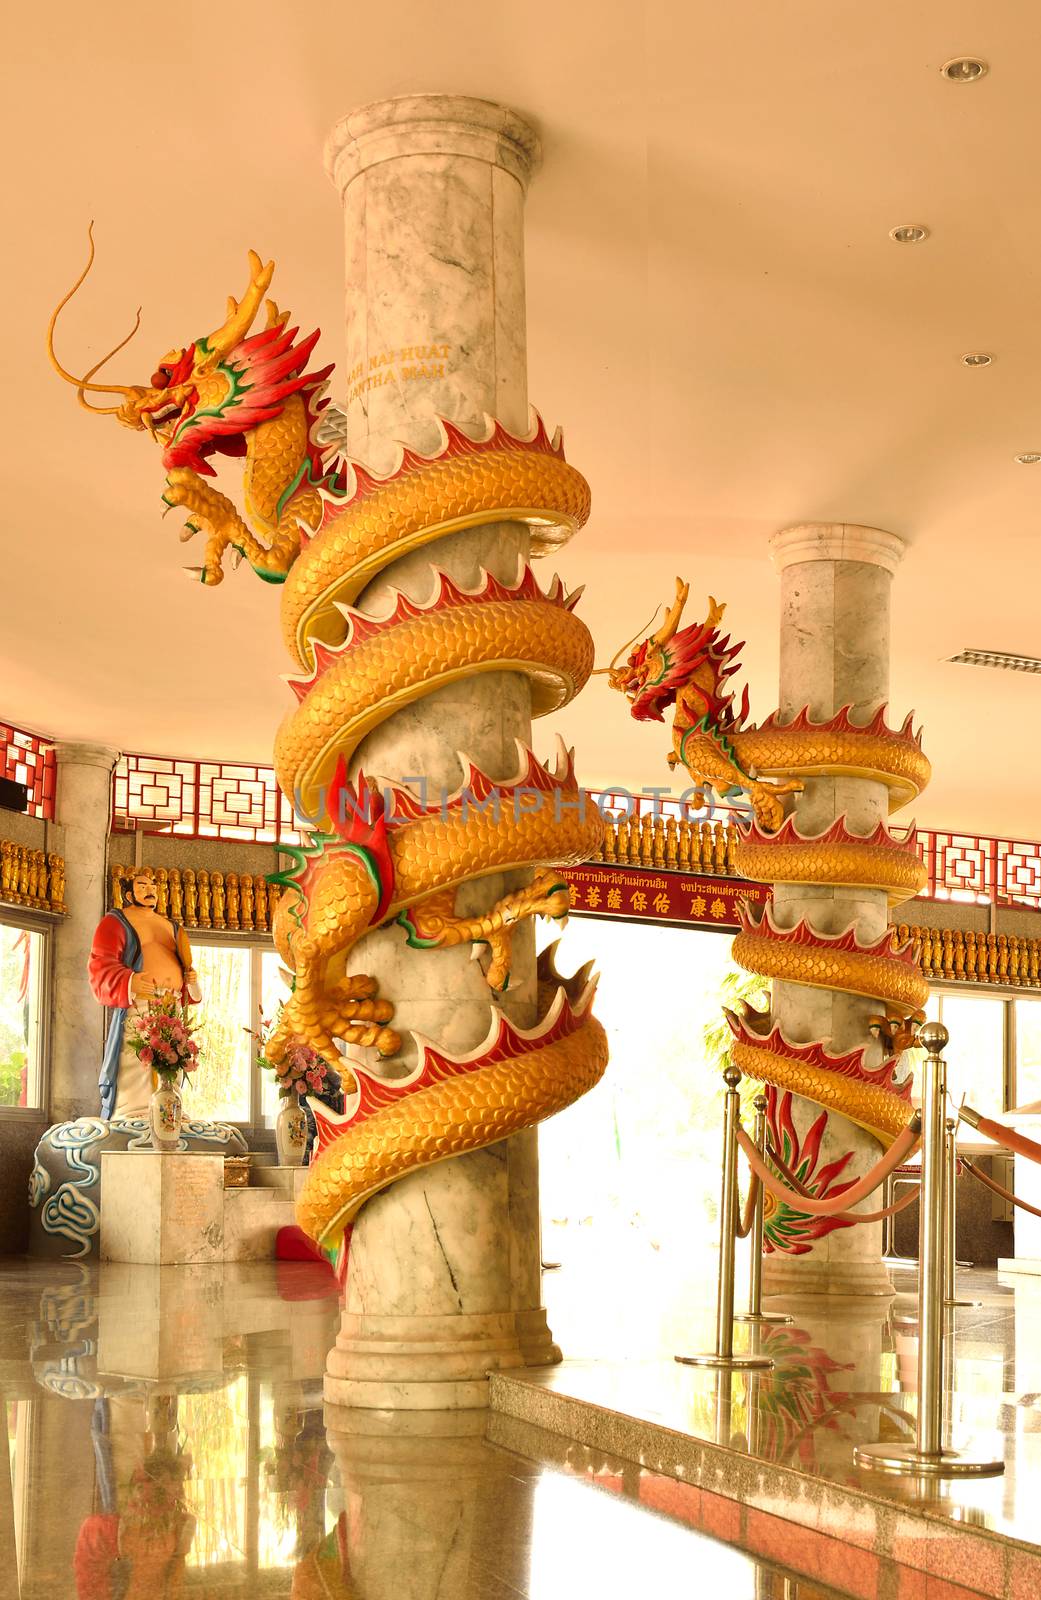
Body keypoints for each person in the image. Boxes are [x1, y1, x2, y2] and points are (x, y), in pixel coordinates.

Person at [87, 868, 201, 1119]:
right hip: (139, 1004)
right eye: (142, 885)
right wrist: (129, 981)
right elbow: (99, 965)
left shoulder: (171, 927)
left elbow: (185, 966)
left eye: (153, 885)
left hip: (171, 1004)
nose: (150, 889)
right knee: (138, 1059)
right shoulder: (116, 921)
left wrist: (190, 980)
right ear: (128, 892)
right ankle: (134, 1109)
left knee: (172, 1058)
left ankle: (170, 1108)